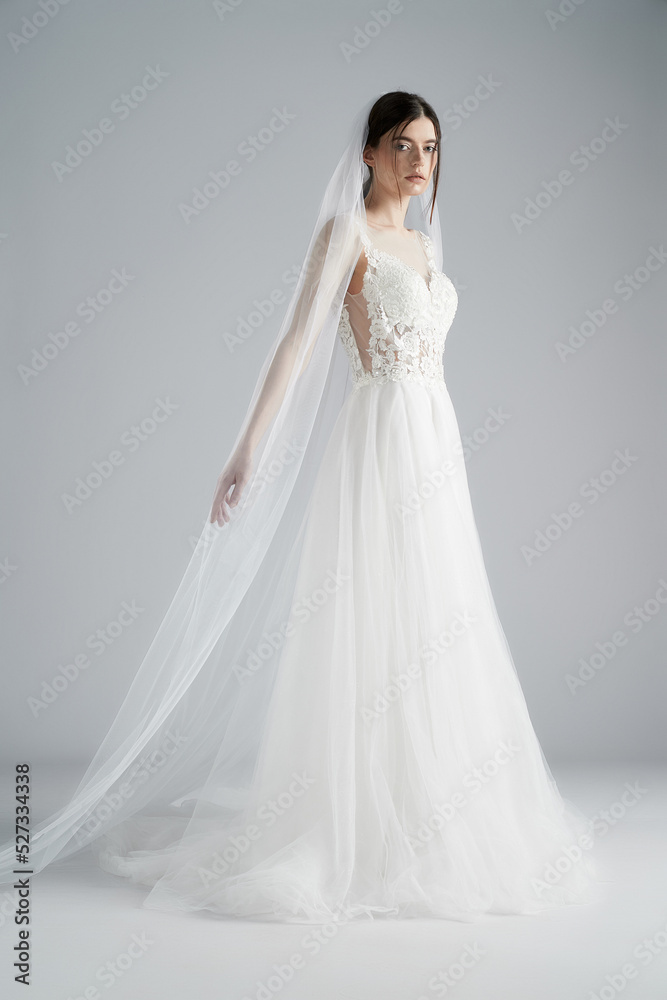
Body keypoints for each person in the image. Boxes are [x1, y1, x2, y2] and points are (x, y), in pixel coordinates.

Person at [0, 91, 600, 923]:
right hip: (376, 449)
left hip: (435, 448)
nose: (420, 160)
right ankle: (352, 825)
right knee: (371, 623)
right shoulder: (346, 236)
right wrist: (246, 448)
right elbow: (295, 341)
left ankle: (428, 813)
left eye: (430, 146)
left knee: (436, 624)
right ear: (367, 153)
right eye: (402, 144)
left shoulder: (424, 246)